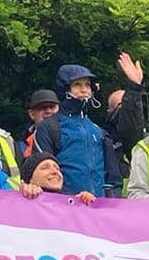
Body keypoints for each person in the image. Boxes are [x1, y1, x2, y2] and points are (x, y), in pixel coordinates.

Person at [31, 64, 122, 197]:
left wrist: (112, 200)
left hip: (98, 207)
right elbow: (42, 174)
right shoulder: (48, 127)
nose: (84, 90)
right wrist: (71, 199)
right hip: (64, 207)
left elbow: (113, 177)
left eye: (87, 84)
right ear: (65, 89)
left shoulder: (98, 130)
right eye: (77, 85)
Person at [103, 52, 149, 159]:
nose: (124, 110)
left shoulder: (147, 136)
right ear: (109, 112)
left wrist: (134, 89)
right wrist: (134, 89)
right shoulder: (103, 139)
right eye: (121, 105)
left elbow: (132, 125)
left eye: (127, 103)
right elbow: (129, 126)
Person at [19, 149, 97, 204]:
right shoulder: (20, 201)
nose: (55, 171)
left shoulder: (74, 201)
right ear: (30, 178)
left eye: (57, 168)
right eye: (45, 168)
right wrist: (25, 194)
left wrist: (87, 205)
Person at [22, 89, 59, 156]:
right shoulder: (21, 147)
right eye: (43, 107)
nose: (48, 111)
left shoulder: (69, 136)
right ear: (32, 114)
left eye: (52, 107)